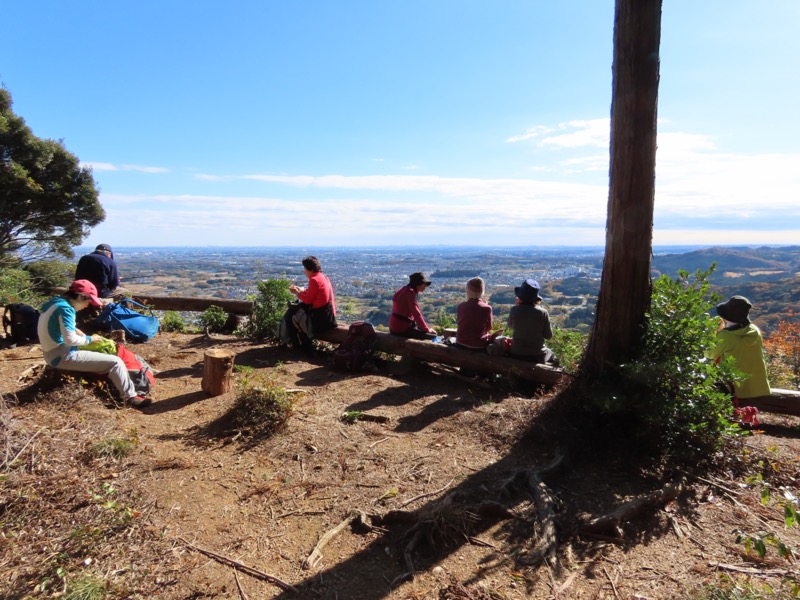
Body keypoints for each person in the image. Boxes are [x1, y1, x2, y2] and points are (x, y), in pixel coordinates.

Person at [38, 279, 151, 408]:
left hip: (51, 353)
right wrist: (90, 339)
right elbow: (70, 340)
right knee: (115, 362)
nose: (88, 305)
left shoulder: (56, 303)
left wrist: (77, 332)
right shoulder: (66, 309)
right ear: (81, 296)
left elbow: (57, 327)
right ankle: (131, 397)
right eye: (88, 301)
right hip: (62, 355)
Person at [706, 295, 771, 399]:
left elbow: (709, 353)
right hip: (757, 388)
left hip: (733, 389)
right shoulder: (755, 330)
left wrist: (714, 332)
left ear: (725, 317)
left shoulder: (726, 336)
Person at [489, 278, 559, 366]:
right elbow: (548, 336)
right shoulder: (543, 312)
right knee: (550, 353)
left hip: (516, 353)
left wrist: (517, 307)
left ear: (520, 297)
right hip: (537, 355)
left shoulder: (514, 310)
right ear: (535, 299)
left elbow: (511, 327)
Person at [282, 256, 337, 351]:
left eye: (305, 269)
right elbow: (314, 293)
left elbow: (308, 300)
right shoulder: (323, 277)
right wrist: (302, 290)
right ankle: (301, 345)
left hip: (321, 318)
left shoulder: (314, 279)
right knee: (296, 315)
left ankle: (298, 346)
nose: (304, 271)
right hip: (328, 314)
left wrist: (297, 293)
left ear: (310, 269)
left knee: (291, 318)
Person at [389, 272, 437, 340]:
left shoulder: (402, 290)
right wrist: (426, 329)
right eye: (424, 284)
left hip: (393, 326)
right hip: (402, 328)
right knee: (433, 338)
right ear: (418, 284)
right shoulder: (410, 292)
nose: (425, 287)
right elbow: (416, 313)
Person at [455, 277, 495, 350]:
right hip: (478, 345)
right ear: (482, 291)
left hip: (460, 342)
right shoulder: (487, 308)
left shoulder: (461, 306)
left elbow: (459, 322)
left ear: (467, 290)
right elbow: (489, 327)